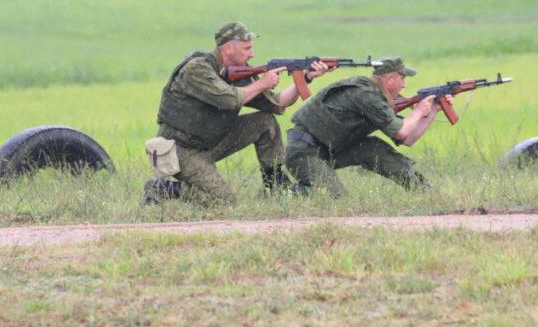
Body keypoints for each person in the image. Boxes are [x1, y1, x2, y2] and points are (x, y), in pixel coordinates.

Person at [143, 22, 330, 205]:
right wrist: (263, 82)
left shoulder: (239, 72)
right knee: (224, 202)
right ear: (228, 49)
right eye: (247, 48)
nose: (252, 54)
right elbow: (230, 98)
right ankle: (162, 189)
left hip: (211, 142)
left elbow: (278, 103)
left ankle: (277, 187)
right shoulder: (197, 69)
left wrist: (305, 78)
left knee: (265, 122)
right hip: (181, 150)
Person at [284, 56, 448, 197]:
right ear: (389, 79)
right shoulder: (366, 95)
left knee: (373, 148)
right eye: (402, 78)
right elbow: (401, 132)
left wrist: (433, 110)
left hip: (330, 148)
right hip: (304, 151)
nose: (404, 85)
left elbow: (409, 138)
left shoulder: (378, 98)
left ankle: (424, 192)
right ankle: (284, 193)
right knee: (334, 199)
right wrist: (418, 111)